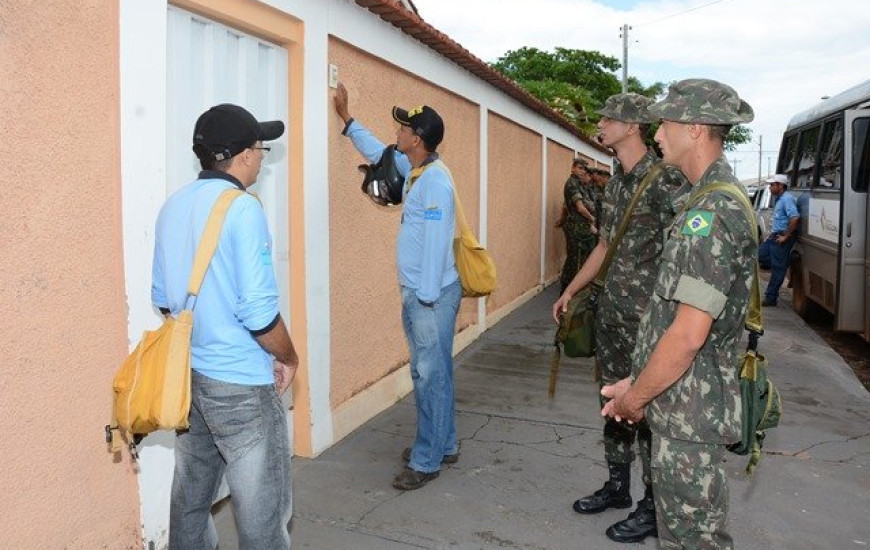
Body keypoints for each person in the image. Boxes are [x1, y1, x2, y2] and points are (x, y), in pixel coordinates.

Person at [602, 78, 756, 550]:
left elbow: (689, 334)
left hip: (689, 415)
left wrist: (635, 400)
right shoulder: (701, 200)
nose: (657, 133)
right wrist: (638, 382)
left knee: (693, 540)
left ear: (693, 129)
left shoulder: (711, 211)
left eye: (664, 123)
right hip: (679, 402)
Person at [152, 104, 299, 550]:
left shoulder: (173, 205)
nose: (262, 157)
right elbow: (258, 312)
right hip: (240, 386)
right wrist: (288, 355)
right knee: (262, 515)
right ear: (242, 155)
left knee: (191, 500)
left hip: (189, 379)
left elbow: (163, 298)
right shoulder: (242, 209)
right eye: (261, 148)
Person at [552, 93, 688, 544]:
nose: (601, 124)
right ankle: (617, 486)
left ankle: (652, 505)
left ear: (633, 126)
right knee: (612, 402)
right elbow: (604, 247)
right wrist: (572, 290)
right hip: (613, 315)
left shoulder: (667, 179)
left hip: (651, 322)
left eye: (609, 118)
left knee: (645, 409)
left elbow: (683, 251)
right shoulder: (616, 183)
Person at [333, 83, 462, 491]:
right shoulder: (417, 169)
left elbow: (439, 247)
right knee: (436, 370)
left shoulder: (435, 182)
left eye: (404, 128)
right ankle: (445, 443)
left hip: (432, 296)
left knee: (428, 375)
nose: (398, 132)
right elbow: (378, 154)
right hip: (425, 294)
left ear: (417, 139)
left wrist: (423, 297)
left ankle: (426, 459)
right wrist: (347, 120)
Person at [556, 158, 600, 293]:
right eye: (580, 168)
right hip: (576, 228)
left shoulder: (579, 184)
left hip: (583, 228)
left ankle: (573, 293)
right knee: (574, 261)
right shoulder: (572, 184)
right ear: (572, 168)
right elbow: (580, 208)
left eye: (584, 169)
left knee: (582, 261)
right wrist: (591, 218)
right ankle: (566, 293)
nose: (582, 172)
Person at [758, 173, 800, 306]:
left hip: (781, 237)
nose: (770, 187)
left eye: (772, 185)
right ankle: (784, 262)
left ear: (780, 186)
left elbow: (795, 217)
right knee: (760, 255)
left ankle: (771, 298)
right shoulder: (779, 199)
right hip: (773, 237)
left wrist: (786, 236)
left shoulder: (787, 199)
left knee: (777, 269)